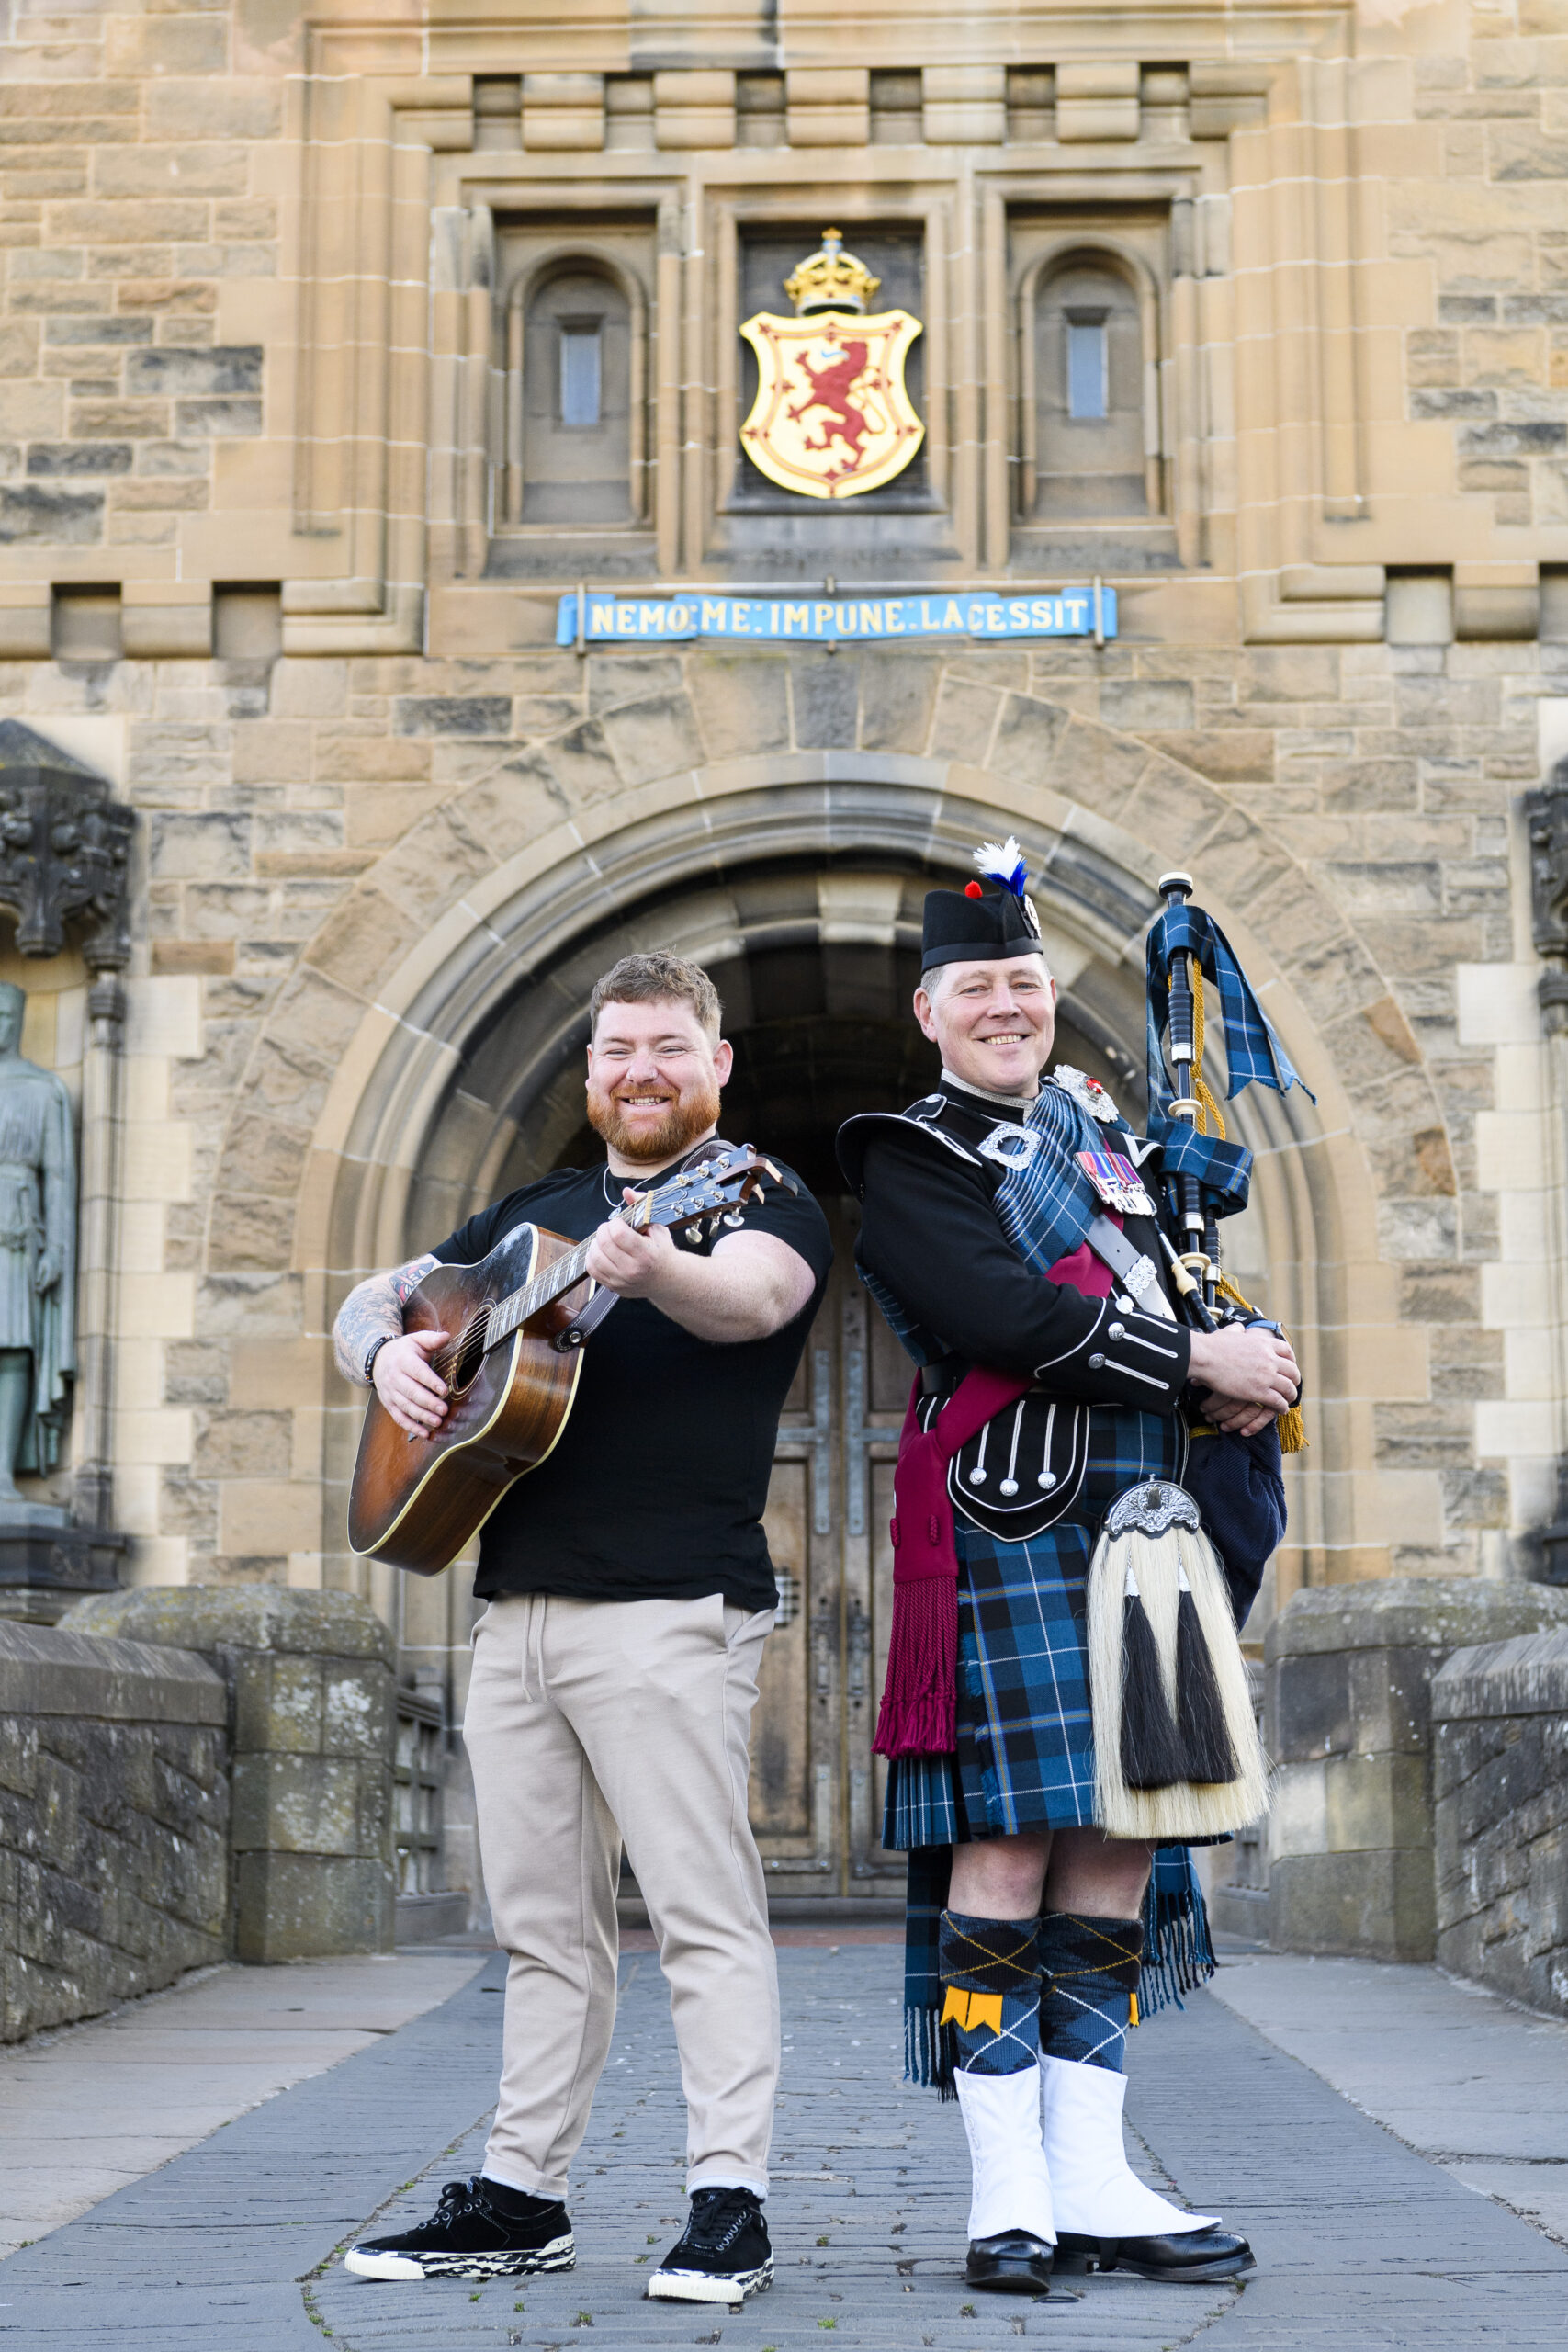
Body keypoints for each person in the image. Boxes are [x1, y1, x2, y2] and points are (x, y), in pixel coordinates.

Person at [336, 950, 832, 2302]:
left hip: (673, 1608)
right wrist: (385, 1350)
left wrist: (660, 1271)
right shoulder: (536, 1210)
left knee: (702, 1915)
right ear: (593, 1068)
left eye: (669, 1047)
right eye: (618, 1050)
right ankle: (520, 2195)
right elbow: (369, 1301)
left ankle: (730, 2202)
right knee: (542, 1927)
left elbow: (761, 1302)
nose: (642, 1072)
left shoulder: (761, 1197)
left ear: (715, 1064)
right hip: (517, 1616)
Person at [837, 865, 1298, 2298]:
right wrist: (1190, 1363)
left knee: (1120, 1837)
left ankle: (1096, 2178)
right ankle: (1007, 2195)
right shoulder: (906, 1154)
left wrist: (1233, 1329)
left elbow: (1156, 1284)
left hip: (1141, 1519)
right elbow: (1008, 1316)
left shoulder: (1097, 1131)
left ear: (1049, 1002)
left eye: (1023, 984)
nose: (1004, 1006)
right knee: (1010, 1851)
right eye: (975, 986)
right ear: (930, 1010)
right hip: (1012, 1517)